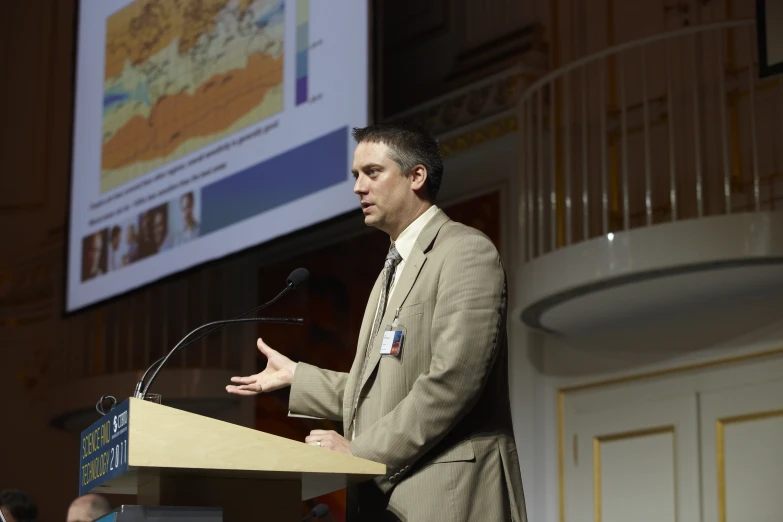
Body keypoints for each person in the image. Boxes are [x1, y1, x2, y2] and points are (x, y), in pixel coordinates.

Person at [226, 123, 527, 521]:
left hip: (449, 494)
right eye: (356, 176)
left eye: (372, 172)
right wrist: (298, 377)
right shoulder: (389, 270)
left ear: (416, 176)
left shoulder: (464, 251)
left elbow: (454, 379)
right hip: (390, 498)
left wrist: (361, 452)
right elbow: (383, 387)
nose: (358, 188)